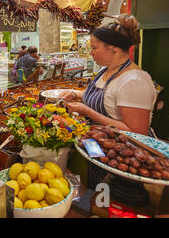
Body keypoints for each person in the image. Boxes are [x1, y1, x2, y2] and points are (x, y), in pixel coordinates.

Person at [59, 14, 157, 188]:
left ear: (114, 48)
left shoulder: (134, 81)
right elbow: (107, 98)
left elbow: (136, 133)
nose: (91, 52)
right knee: (98, 193)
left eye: (94, 48)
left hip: (124, 158)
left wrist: (86, 111)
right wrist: (74, 93)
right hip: (102, 148)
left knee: (113, 199)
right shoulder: (108, 70)